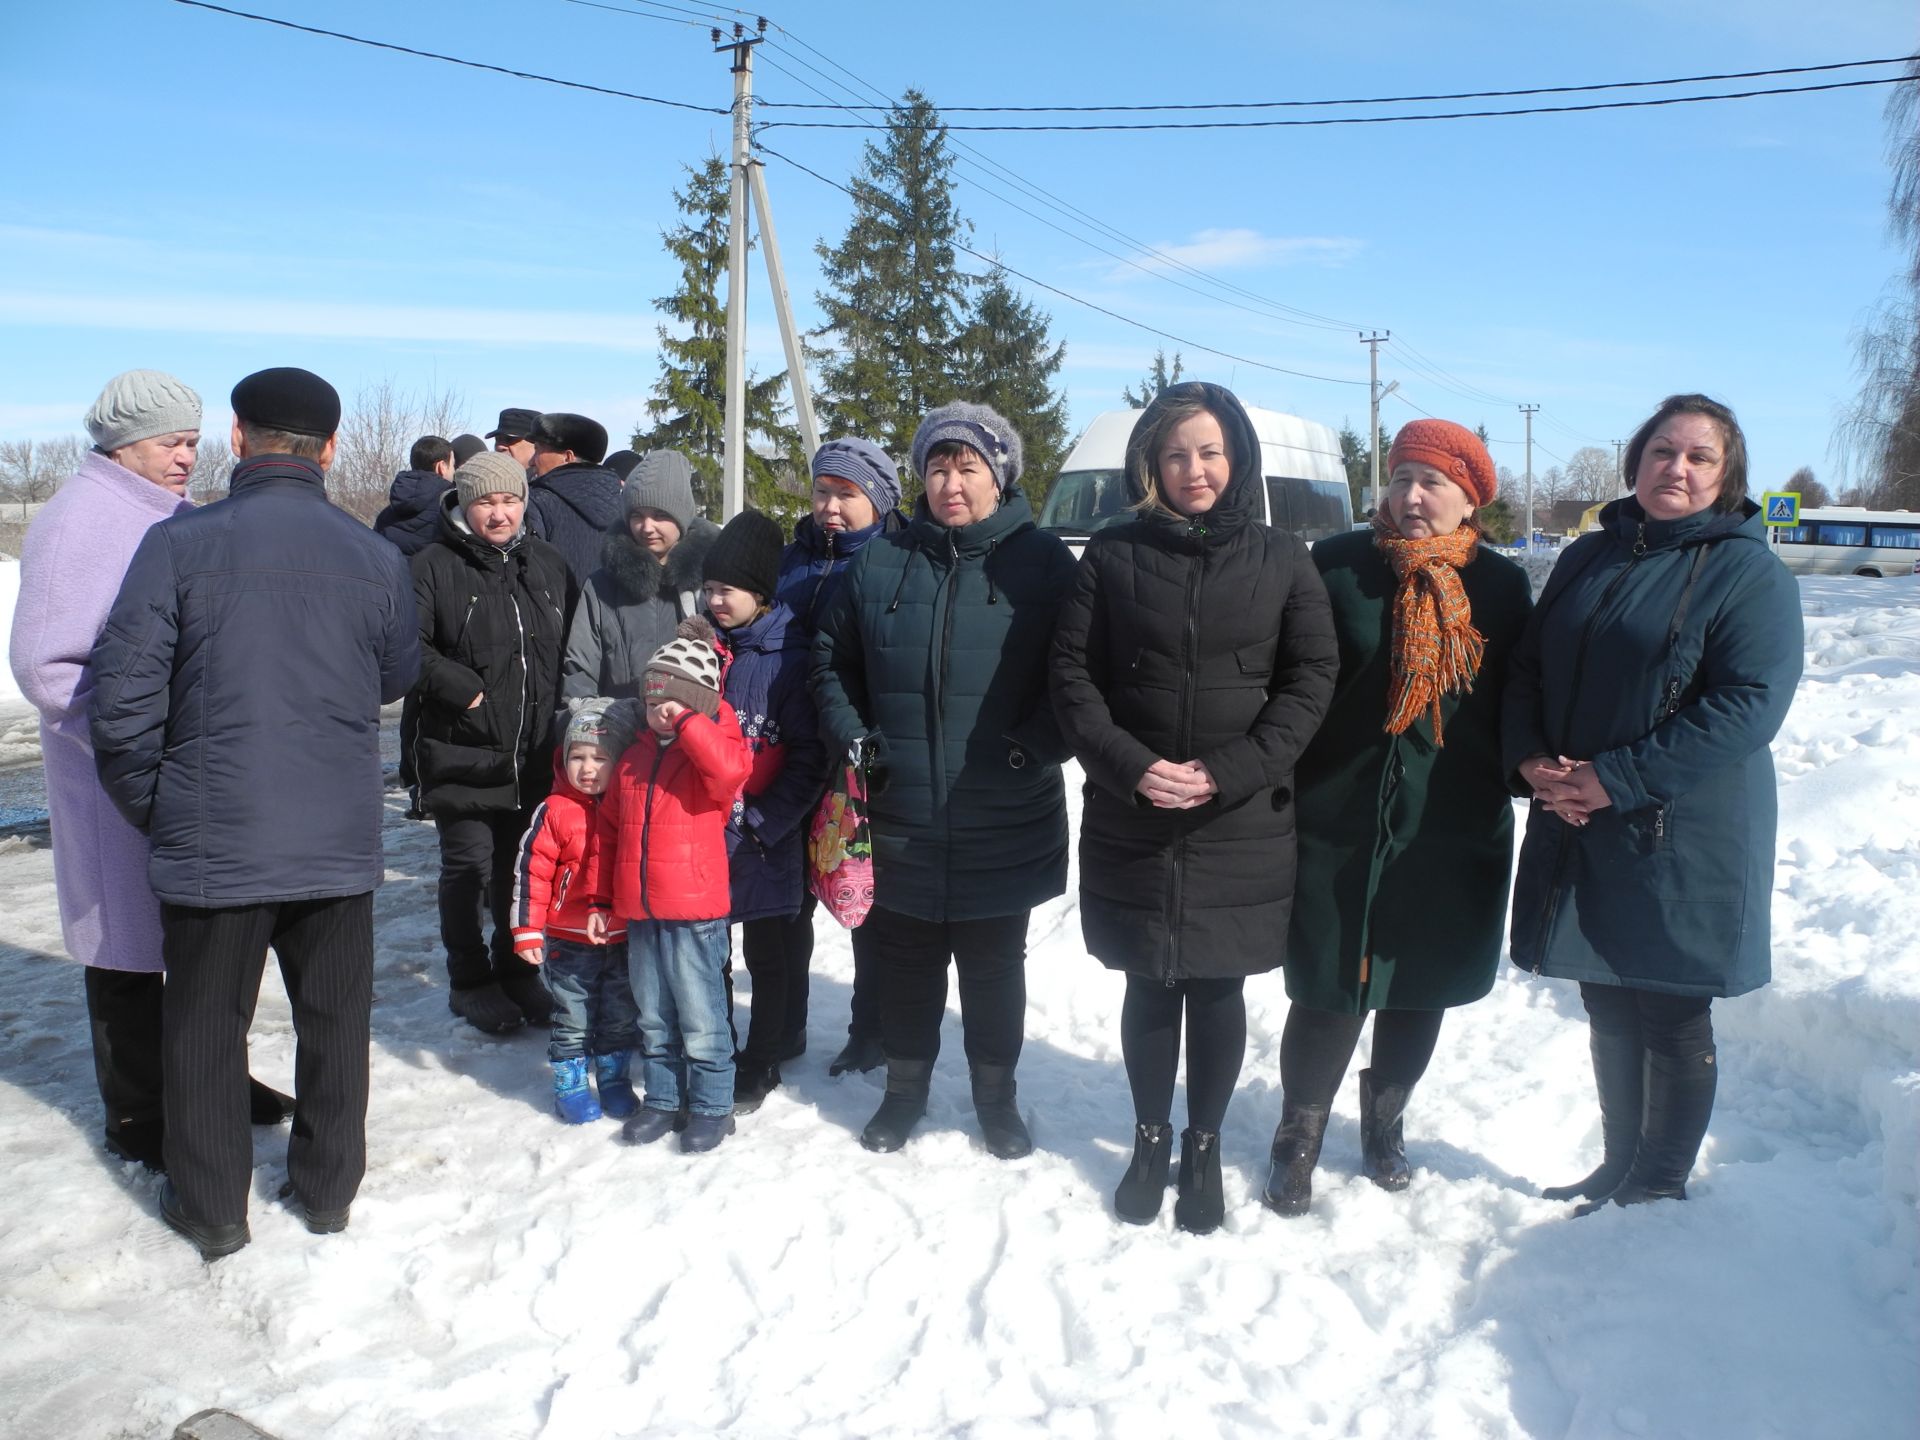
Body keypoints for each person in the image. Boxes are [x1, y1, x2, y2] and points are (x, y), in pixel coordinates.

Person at [89, 366, 418, 1259]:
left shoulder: (179, 545)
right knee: (335, 1021)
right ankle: (326, 1192)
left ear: (238, 438)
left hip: (214, 838)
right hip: (334, 839)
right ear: (333, 446)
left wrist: (159, 806)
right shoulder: (375, 557)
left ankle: (210, 1208)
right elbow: (393, 676)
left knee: (202, 1027)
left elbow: (117, 701)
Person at [1503, 393, 1802, 1211]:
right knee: (1604, 989)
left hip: (1684, 824)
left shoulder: (1749, 571)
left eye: (1700, 458)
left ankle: (1660, 1182)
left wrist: (1617, 778)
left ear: (1727, 476)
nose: (1677, 468)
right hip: (1578, 812)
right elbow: (1527, 667)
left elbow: (1749, 703)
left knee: (1669, 1006)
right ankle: (1618, 1164)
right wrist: (1532, 759)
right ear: (1635, 460)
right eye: (1663, 451)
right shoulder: (1586, 557)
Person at [1050, 382, 1338, 1231]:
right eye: (1176, 454)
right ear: (1151, 463)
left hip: (1238, 816)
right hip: (1133, 810)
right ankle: (1149, 1138)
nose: (1194, 469)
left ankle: (1202, 1145)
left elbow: (1310, 681)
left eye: (1210, 451)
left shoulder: (1284, 558)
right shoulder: (1109, 556)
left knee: (1215, 987)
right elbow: (1072, 679)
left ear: (1238, 457)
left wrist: (1227, 770)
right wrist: (1134, 767)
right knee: (1150, 979)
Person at [9, 368, 294, 1173]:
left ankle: (214, 1079)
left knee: (200, 947)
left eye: (193, 442)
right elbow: (43, 663)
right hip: (113, 781)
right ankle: (136, 1112)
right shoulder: (77, 521)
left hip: (184, 768)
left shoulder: (169, 511)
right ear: (121, 443)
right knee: (127, 952)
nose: (186, 458)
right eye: (171, 443)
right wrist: (134, 740)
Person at [1262, 419, 1532, 1218]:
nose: (1413, 497)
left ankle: (1384, 1124)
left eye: (1435, 483)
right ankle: (1297, 1138)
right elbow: (1288, 681)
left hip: (1450, 824)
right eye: (1402, 477)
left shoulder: (1502, 589)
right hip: (1337, 819)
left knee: (1420, 985)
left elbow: (1526, 700)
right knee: (1326, 988)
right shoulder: (1337, 567)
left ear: (1470, 498)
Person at [812, 402, 1077, 1159]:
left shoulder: (1042, 564)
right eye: (936, 466)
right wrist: (856, 737)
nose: (950, 483)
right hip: (900, 811)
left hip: (1006, 809)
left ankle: (998, 1102)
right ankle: (904, 1093)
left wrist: (1034, 748)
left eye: (967, 468)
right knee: (907, 967)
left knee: (995, 972)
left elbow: (1079, 676)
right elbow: (830, 660)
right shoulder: (882, 563)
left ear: (998, 476)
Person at [411, 451, 574, 1035]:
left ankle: (516, 969)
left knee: (518, 867)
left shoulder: (548, 564)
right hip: (463, 746)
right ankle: (470, 979)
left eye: (509, 500)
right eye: (485, 502)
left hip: (533, 750)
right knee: (469, 868)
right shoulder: (431, 565)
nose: (499, 513)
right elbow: (408, 648)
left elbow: (570, 648)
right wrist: (462, 687)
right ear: (462, 504)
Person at [587, 620, 751, 1154]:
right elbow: (609, 832)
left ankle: (711, 1106)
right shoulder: (633, 755)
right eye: (653, 698)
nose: (659, 710)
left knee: (702, 1018)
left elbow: (730, 773)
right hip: (640, 911)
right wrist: (598, 897)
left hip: (695, 911)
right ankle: (662, 1100)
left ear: (695, 702)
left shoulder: (711, 744)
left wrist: (689, 723)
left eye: (672, 700)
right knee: (654, 1017)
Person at [775, 436, 904, 1078]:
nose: (830, 506)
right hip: (787, 750)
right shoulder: (791, 558)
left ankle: (870, 1028)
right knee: (786, 899)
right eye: (823, 491)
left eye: (846, 495)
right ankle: (784, 1026)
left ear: (876, 500)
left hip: (854, 754)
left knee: (864, 902)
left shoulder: (893, 559)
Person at [702, 509, 827, 1111]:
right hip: (706, 837)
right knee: (710, 951)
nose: (715, 600)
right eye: (709, 588)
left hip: (767, 835)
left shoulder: (789, 659)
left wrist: (765, 821)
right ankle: (718, 1049)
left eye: (728, 589)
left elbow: (811, 756)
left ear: (761, 593)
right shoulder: (703, 651)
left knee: (770, 952)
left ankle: (763, 1057)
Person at [511, 697, 639, 1124]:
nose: (587, 768)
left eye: (600, 758)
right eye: (577, 757)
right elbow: (533, 871)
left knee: (621, 1013)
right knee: (573, 1014)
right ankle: (569, 1083)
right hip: (568, 939)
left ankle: (615, 1079)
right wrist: (527, 929)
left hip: (622, 936)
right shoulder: (555, 810)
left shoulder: (630, 810)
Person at [563, 450, 720, 701]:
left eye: (660, 515)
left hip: (691, 732)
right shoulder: (600, 585)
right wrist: (584, 730)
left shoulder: (712, 582)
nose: (647, 528)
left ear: (681, 518)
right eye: (637, 515)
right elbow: (579, 672)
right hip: (614, 731)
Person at [526, 411, 624, 589]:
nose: (532, 461)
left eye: (537, 450)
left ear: (567, 456)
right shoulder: (625, 503)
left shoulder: (538, 502)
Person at [372, 434, 456, 558]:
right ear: (441, 467)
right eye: (453, 465)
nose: (454, 471)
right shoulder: (451, 511)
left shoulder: (385, 516)